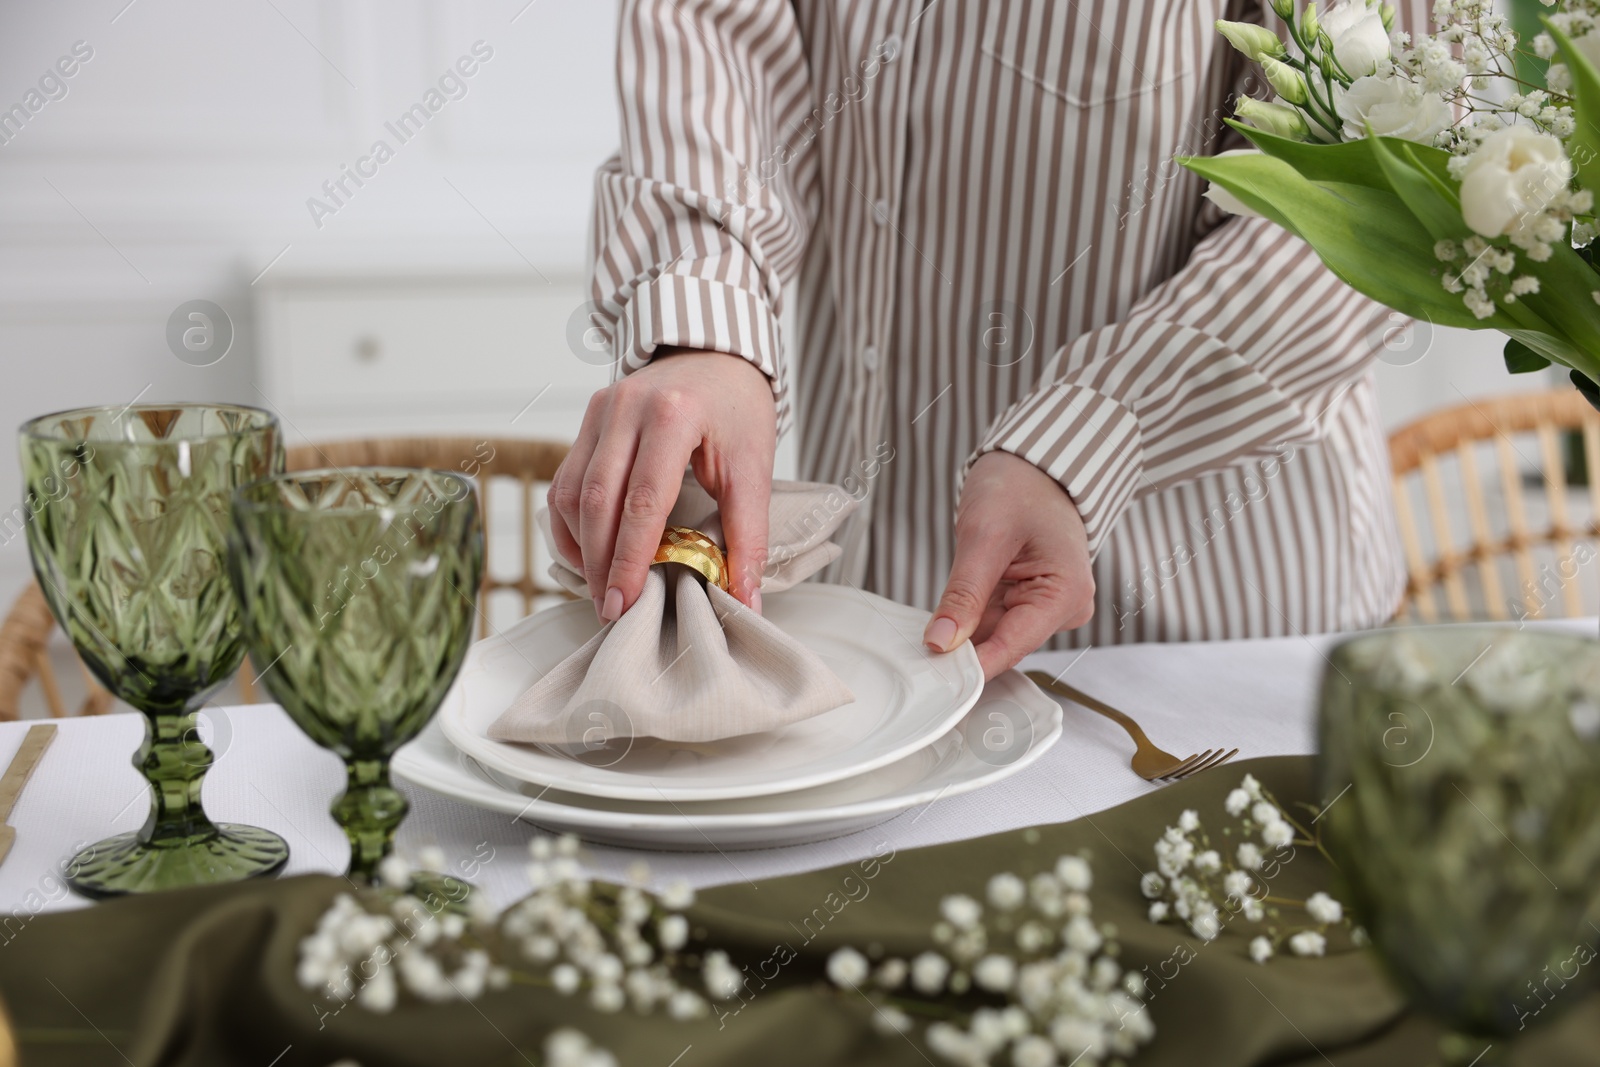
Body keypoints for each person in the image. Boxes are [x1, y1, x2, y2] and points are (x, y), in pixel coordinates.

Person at [549, 0, 1427, 680]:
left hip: (1205, 647)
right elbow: (718, 32)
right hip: (868, 635)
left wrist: (1092, 433)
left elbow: (1373, 188)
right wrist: (705, 323)